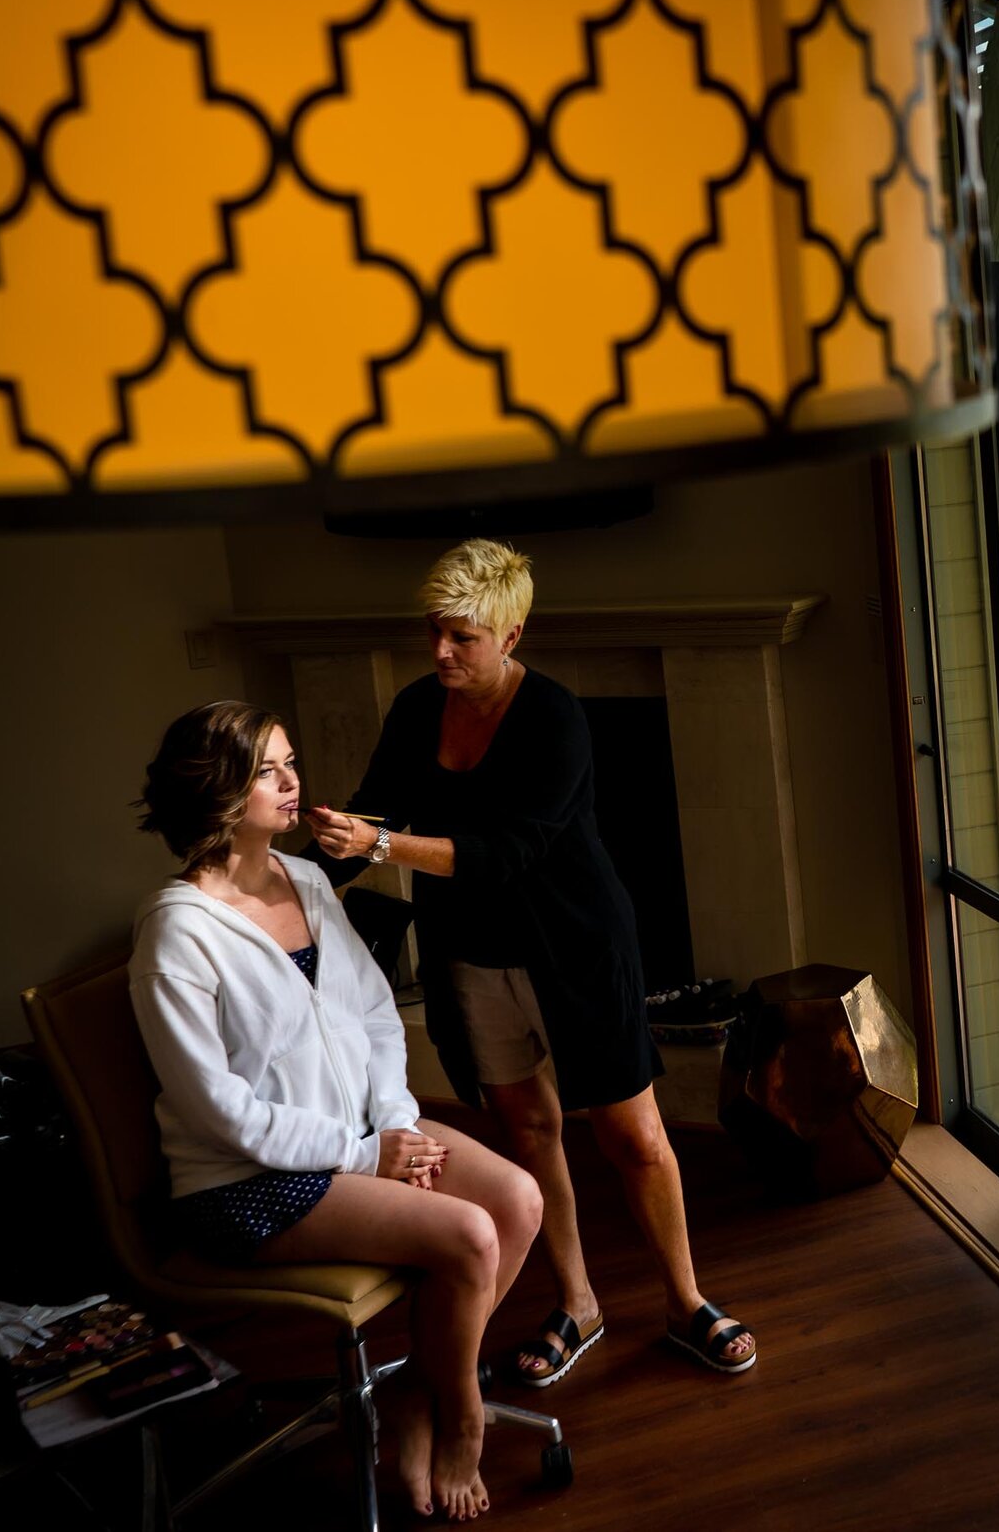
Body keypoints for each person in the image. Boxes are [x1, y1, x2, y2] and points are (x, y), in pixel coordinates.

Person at [304, 538, 756, 1391]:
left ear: (512, 635)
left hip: (576, 948)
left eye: (462, 637)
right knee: (531, 1132)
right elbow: (375, 810)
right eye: (435, 631)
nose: (441, 651)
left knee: (637, 1135)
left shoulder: (554, 716)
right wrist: (299, 868)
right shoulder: (414, 708)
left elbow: (503, 853)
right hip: (470, 956)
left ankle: (685, 1299)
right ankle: (577, 1302)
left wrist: (383, 844)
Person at [131, 700, 542, 1523]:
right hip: (247, 1178)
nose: (294, 782)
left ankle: (419, 1397)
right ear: (217, 790)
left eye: (291, 762)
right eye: (269, 770)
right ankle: (457, 1413)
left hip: (361, 1134)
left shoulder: (309, 880)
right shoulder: (176, 935)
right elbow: (219, 1113)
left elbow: (377, 1015)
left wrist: (394, 1123)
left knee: (517, 1200)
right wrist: (365, 1155)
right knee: (469, 1235)